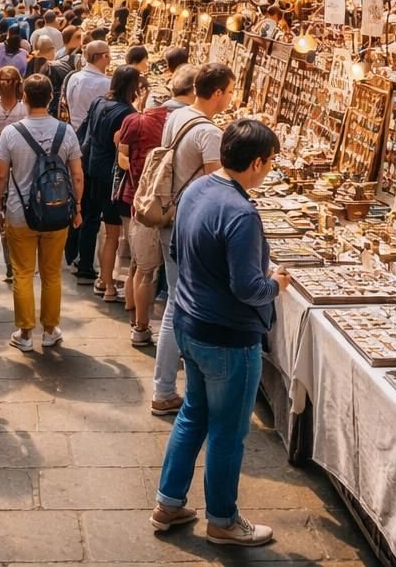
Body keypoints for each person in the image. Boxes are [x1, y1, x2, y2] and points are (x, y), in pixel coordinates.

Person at [149, 119, 287, 547]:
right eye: (270, 162)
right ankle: (223, 521)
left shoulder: (197, 190)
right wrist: (276, 284)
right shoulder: (241, 213)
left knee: (194, 413)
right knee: (227, 431)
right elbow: (248, 288)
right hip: (227, 338)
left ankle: (168, 503)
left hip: (190, 324)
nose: (269, 170)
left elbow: (177, 251)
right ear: (257, 162)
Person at [151, 62, 233, 416]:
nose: (231, 98)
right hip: (189, 225)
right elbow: (218, 188)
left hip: (172, 217)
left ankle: (169, 385)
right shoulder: (210, 133)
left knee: (176, 300)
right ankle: (164, 389)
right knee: (177, 305)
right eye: (230, 92)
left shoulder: (177, 116)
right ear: (217, 93)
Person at [0, 73, 85, 351]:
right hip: (56, 212)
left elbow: (0, 176)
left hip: (19, 212)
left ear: (24, 97)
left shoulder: (11, 132)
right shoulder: (66, 131)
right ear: (51, 98)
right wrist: (77, 207)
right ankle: (49, 329)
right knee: (52, 273)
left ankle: (24, 334)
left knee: (22, 273)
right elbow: (77, 175)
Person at [122, 64, 194, 345]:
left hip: (141, 200)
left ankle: (137, 323)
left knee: (139, 266)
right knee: (152, 272)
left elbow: (122, 156)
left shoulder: (139, 119)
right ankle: (143, 326)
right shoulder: (188, 122)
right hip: (165, 205)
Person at [77, 65, 144, 290]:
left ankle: (85, 265)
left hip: (91, 165)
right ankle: (106, 279)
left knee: (90, 218)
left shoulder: (98, 102)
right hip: (110, 174)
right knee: (111, 229)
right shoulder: (127, 113)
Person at [63, 39, 112, 131]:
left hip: (75, 128)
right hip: (93, 133)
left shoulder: (74, 77)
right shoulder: (106, 83)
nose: (111, 59)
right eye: (109, 55)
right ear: (105, 56)